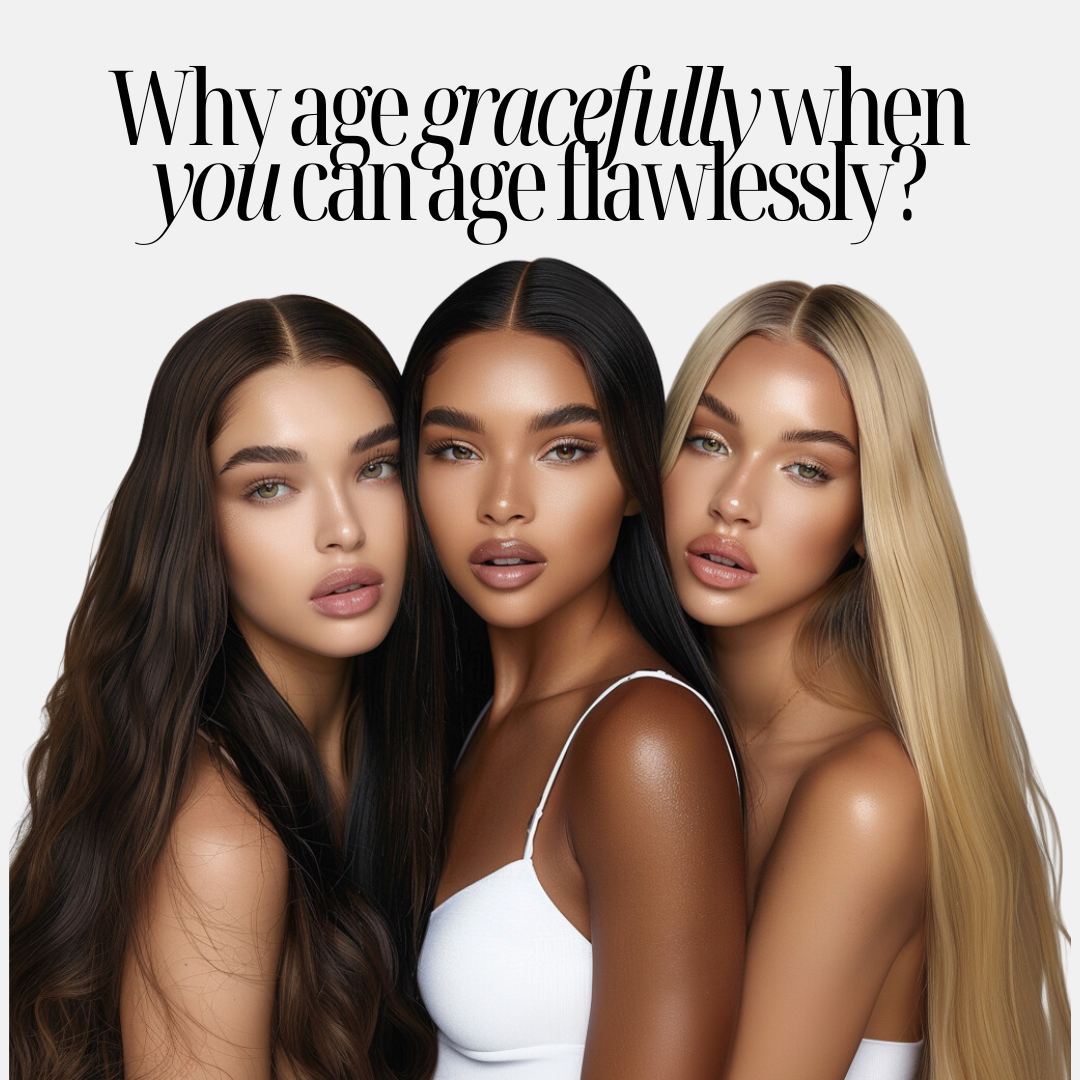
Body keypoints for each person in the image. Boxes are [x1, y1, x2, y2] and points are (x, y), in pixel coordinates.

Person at [10, 296, 442, 1080]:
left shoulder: (413, 749)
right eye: (270, 487)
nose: (344, 529)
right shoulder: (222, 841)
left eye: (375, 467)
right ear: (197, 524)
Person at [661, 281, 1070, 1080]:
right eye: (709, 441)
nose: (733, 502)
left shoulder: (863, 797)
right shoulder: (671, 733)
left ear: (865, 520)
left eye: (805, 468)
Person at [403, 258, 745, 1079]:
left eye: (563, 449)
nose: (503, 501)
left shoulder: (646, 739)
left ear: (635, 479)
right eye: (457, 449)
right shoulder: (471, 718)